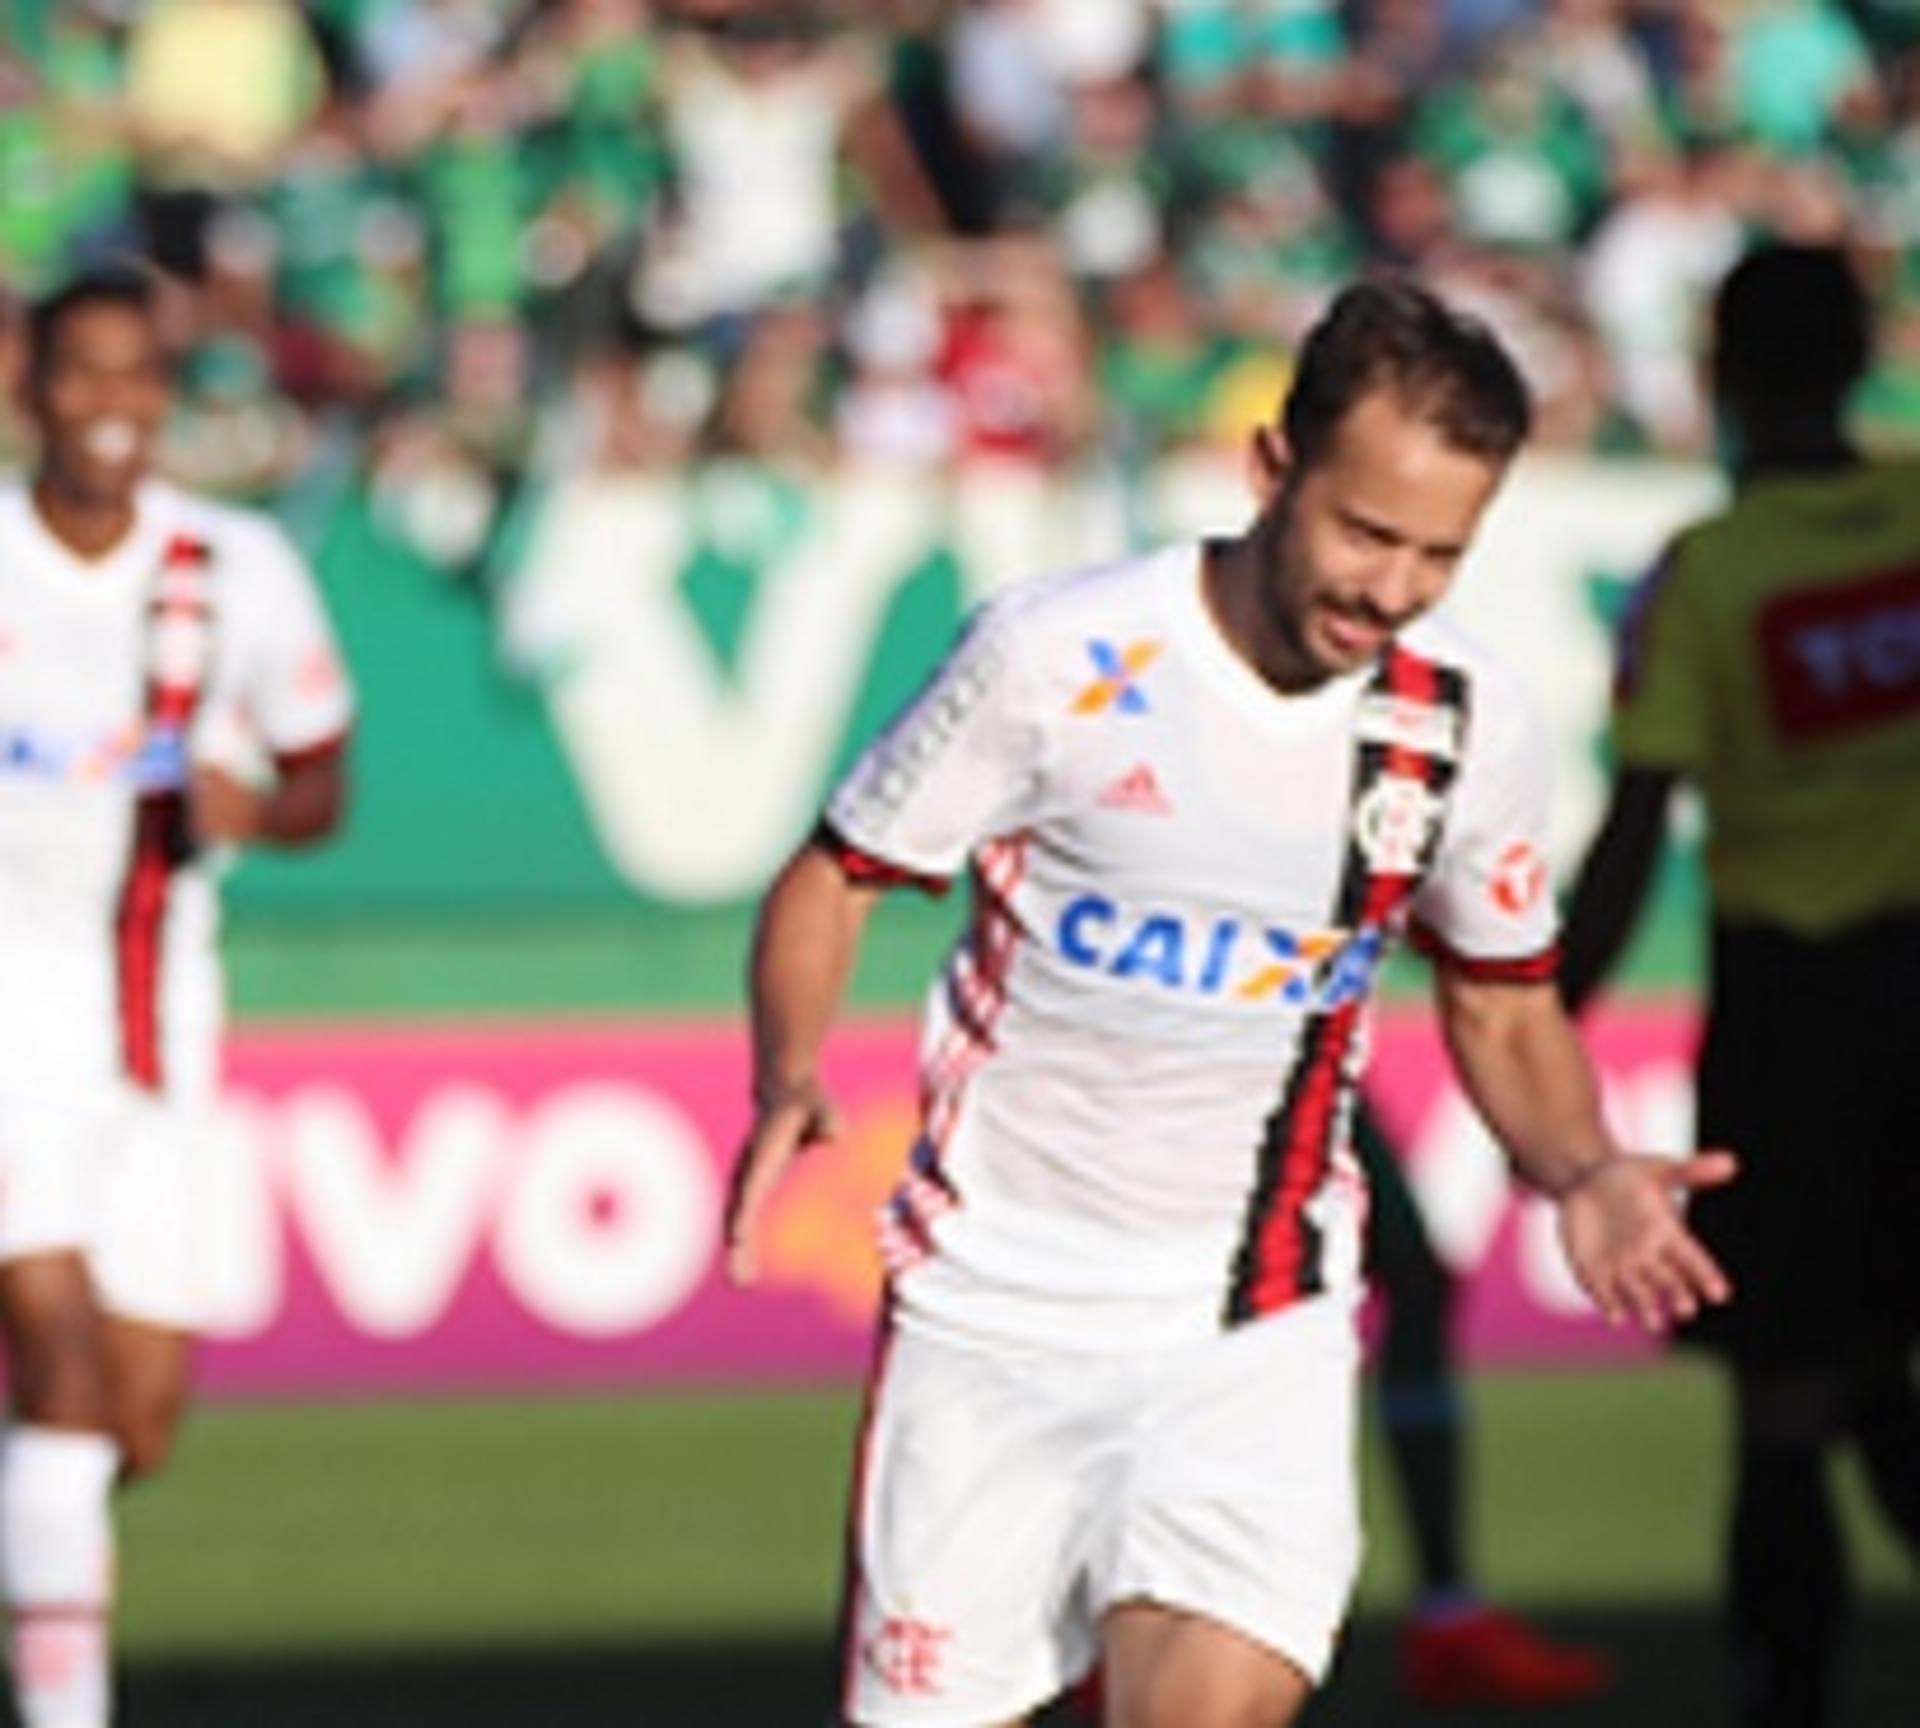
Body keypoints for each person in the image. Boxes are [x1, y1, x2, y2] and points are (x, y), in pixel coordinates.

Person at [727, 277, 1733, 1728]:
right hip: (992, 1315)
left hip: (1252, 1329)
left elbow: (1507, 1010)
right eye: (1365, 532)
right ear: (1273, 468)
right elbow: (838, 874)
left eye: (1437, 554)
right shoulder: (1056, 656)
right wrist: (787, 1070)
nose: (1390, 588)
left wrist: (1578, 1168)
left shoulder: (1459, 728)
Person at [1561, 241, 1920, 1728]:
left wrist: (1533, 1026)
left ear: (1722, 380)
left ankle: (1785, 1696)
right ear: (1859, 358)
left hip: (1799, 1013)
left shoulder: (1710, 578)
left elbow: (1641, 825)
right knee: (1879, 1368)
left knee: (1788, 1402)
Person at [0, 266, 354, 1728]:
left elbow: (325, 777)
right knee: (64, 1378)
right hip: (9, 995)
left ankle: (40, 1558)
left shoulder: (241, 564)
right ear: (31, 390)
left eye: (133, 375)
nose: (109, 405)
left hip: (157, 1003)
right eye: (79, 373)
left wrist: (254, 810)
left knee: (133, 1419)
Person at [1354, 1096, 1613, 1709]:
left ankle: (1449, 1616)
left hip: (1285, 1052)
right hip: (1201, 1061)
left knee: (1414, 1279)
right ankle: (1117, 1615)